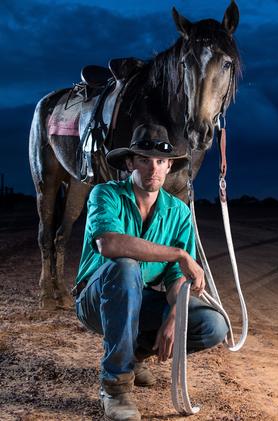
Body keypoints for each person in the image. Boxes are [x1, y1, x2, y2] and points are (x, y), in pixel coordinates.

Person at [74, 123, 228, 421]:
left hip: (141, 302)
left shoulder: (179, 212)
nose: (152, 168)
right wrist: (180, 254)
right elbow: (109, 243)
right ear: (130, 162)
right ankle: (115, 386)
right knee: (125, 266)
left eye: (160, 161)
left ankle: (135, 354)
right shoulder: (104, 194)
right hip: (97, 300)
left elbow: (176, 279)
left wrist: (174, 316)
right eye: (144, 160)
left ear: (170, 166)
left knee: (212, 325)